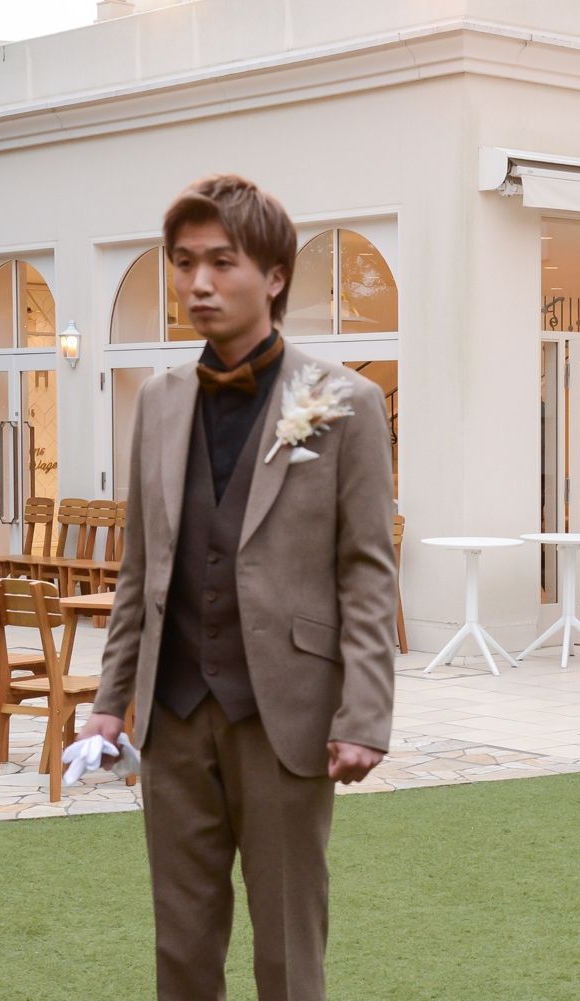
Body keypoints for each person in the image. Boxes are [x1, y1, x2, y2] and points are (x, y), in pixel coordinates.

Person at [78, 174, 397, 1000]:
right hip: (174, 714)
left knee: (289, 946)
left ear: (275, 275)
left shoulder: (346, 402)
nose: (199, 283)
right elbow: (139, 568)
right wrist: (111, 702)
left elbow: (367, 569)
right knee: (181, 944)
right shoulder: (158, 400)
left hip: (284, 715)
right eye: (184, 263)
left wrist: (364, 713)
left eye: (222, 262)